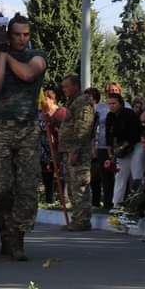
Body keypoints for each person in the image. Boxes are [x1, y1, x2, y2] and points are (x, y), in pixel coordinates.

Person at [0, 14, 47, 261]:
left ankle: (16, 238)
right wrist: (1, 59)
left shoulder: (37, 55)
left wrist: (7, 57)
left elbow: (28, 75)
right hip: (0, 128)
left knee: (27, 188)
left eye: (26, 34)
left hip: (27, 128)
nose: (22, 39)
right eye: (17, 34)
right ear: (8, 36)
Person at [58, 75, 93, 231]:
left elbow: (83, 128)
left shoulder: (83, 101)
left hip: (78, 150)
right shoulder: (72, 101)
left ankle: (83, 220)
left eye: (66, 86)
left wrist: (75, 150)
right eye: (63, 86)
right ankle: (76, 218)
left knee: (79, 185)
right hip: (68, 149)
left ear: (76, 86)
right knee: (72, 185)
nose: (64, 89)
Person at [108, 93, 144, 208]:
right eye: (109, 104)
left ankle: (137, 204)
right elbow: (109, 136)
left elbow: (134, 134)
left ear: (121, 103)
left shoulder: (129, 114)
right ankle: (116, 205)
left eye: (114, 103)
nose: (111, 106)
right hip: (121, 150)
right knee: (120, 176)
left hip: (135, 145)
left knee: (137, 173)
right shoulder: (110, 116)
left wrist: (123, 147)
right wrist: (112, 153)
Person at [38, 89, 65, 205]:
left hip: (59, 148)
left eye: (46, 99)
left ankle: (64, 198)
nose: (43, 102)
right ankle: (49, 199)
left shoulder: (61, 112)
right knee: (47, 174)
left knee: (62, 174)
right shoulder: (40, 115)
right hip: (44, 149)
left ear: (52, 99)